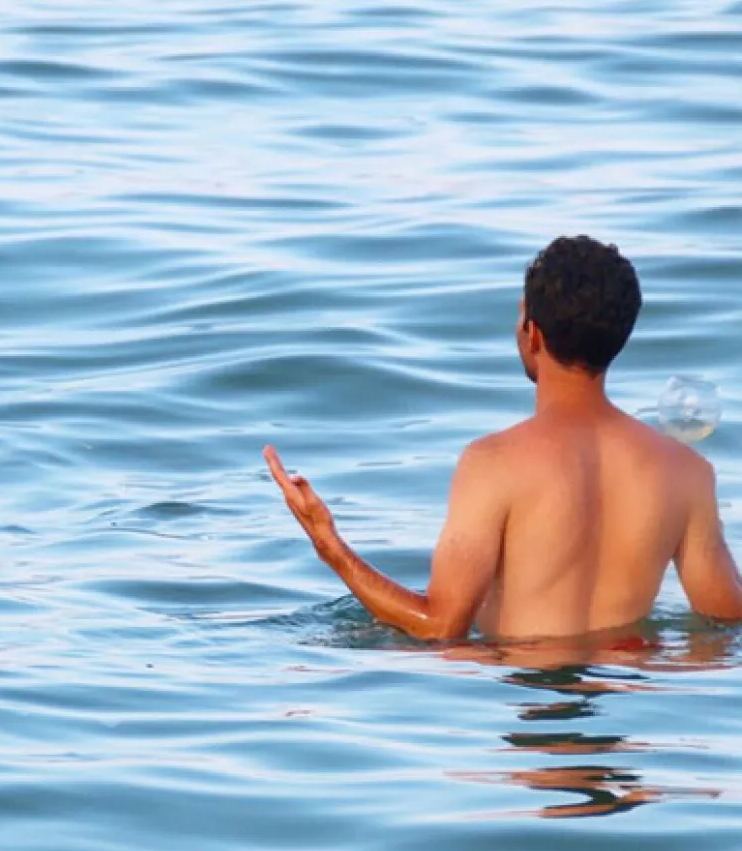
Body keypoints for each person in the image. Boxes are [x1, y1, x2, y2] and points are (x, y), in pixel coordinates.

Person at [265, 234, 742, 641]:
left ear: (530, 331)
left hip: (523, 693)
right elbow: (725, 629)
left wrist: (331, 547)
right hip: (629, 702)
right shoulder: (686, 474)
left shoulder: (494, 463)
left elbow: (440, 627)